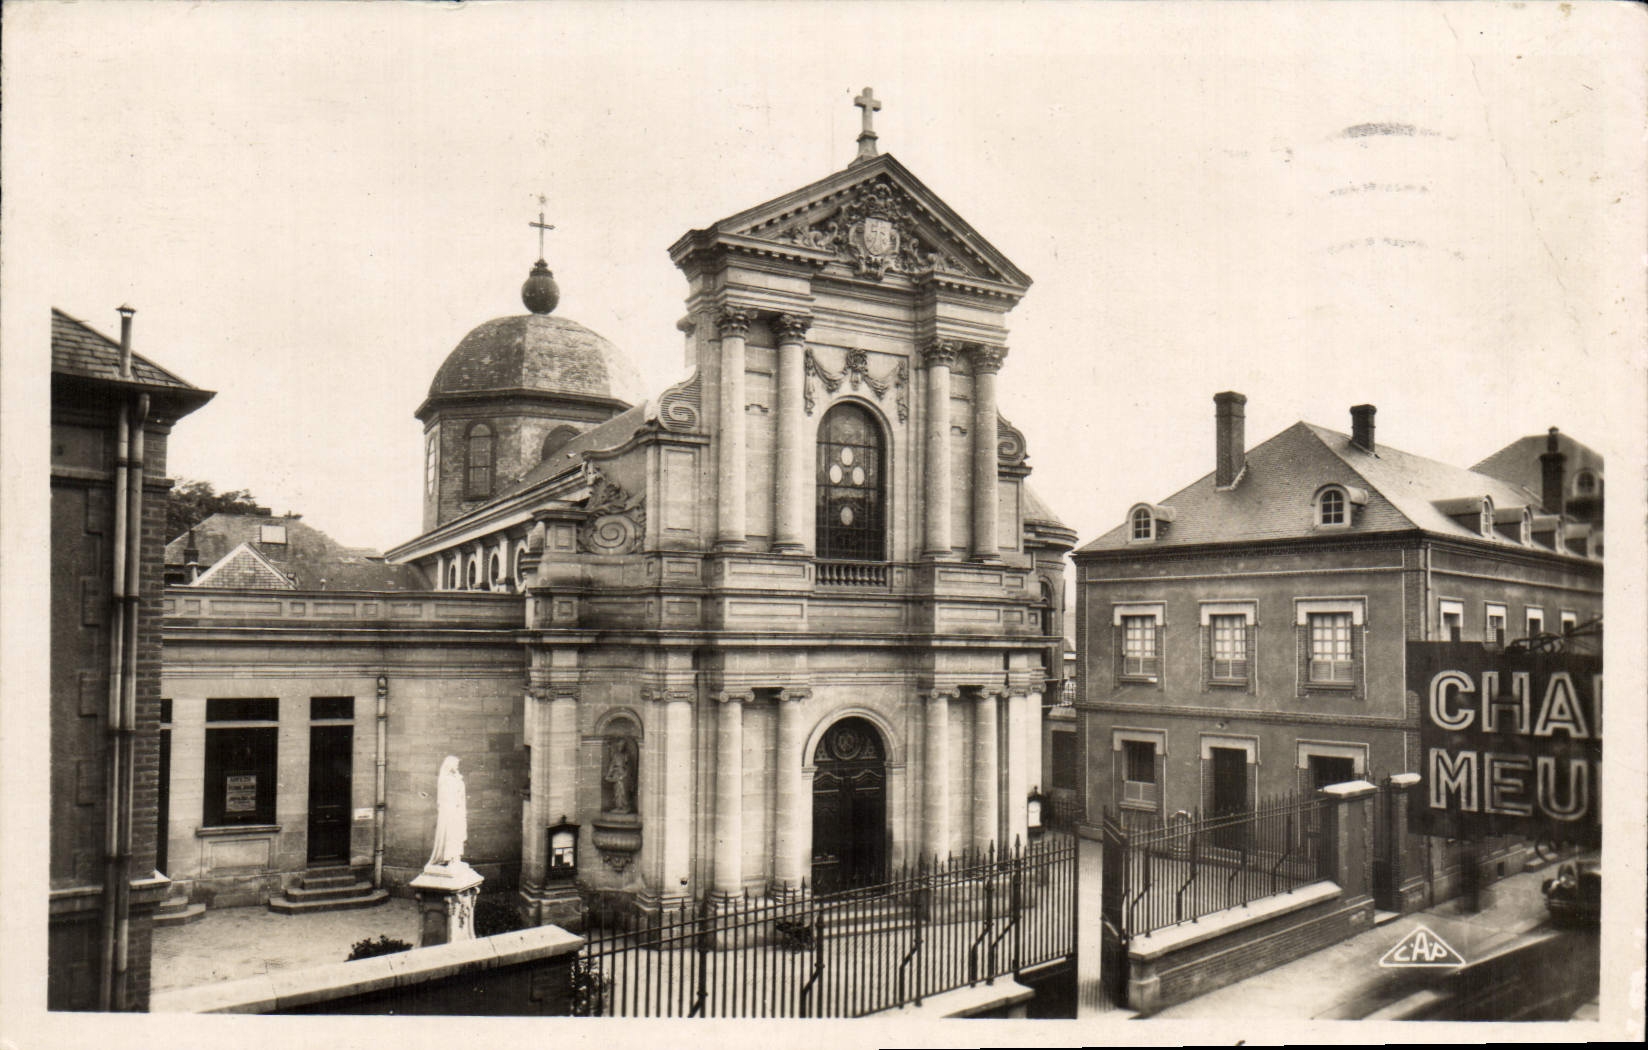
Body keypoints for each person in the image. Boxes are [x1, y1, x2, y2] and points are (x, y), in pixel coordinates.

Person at [426, 755, 468, 868]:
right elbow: (445, 798)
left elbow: (460, 796)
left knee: (457, 834)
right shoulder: (446, 780)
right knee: (450, 834)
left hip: (457, 811)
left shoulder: (457, 778)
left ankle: (455, 858)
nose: (457, 766)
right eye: (456, 764)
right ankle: (448, 857)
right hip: (449, 811)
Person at [604, 738, 634, 814]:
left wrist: (624, 774)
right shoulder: (615, 755)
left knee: (623, 791)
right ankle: (618, 806)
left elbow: (628, 766)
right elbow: (611, 766)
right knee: (617, 791)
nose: (620, 747)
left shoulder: (626, 755)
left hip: (624, 775)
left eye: (622, 745)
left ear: (624, 746)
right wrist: (609, 775)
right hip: (616, 774)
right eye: (619, 745)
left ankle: (625, 806)